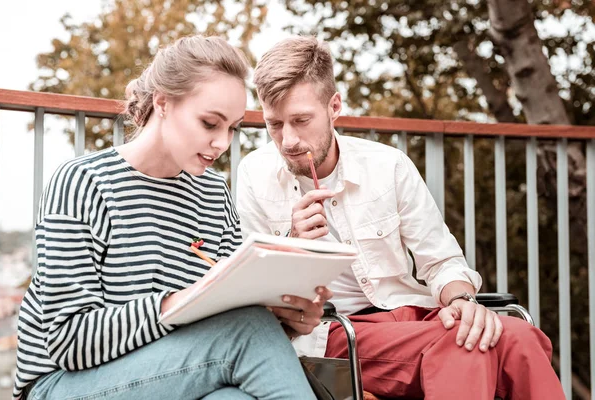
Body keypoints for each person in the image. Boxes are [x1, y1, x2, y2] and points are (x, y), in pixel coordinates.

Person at [236, 36, 566, 399]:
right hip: (337, 331)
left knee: (517, 336)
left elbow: (441, 261)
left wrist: (462, 302)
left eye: (301, 120)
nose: (288, 140)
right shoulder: (255, 174)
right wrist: (292, 244)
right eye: (275, 124)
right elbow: (257, 293)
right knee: (463, 345)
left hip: (411, 315)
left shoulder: (387, 165)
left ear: (334, 106)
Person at [12, 35, 332, 400]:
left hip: (173, 374)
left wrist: (286, 320)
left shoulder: (213, 194)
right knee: (248, 330)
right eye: (210, 124)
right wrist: (178, 302)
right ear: (163, 103)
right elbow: (69, 342)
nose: (222, 143)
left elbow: (225, 323)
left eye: (233, 128)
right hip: (64, 384)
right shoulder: (83, 182)